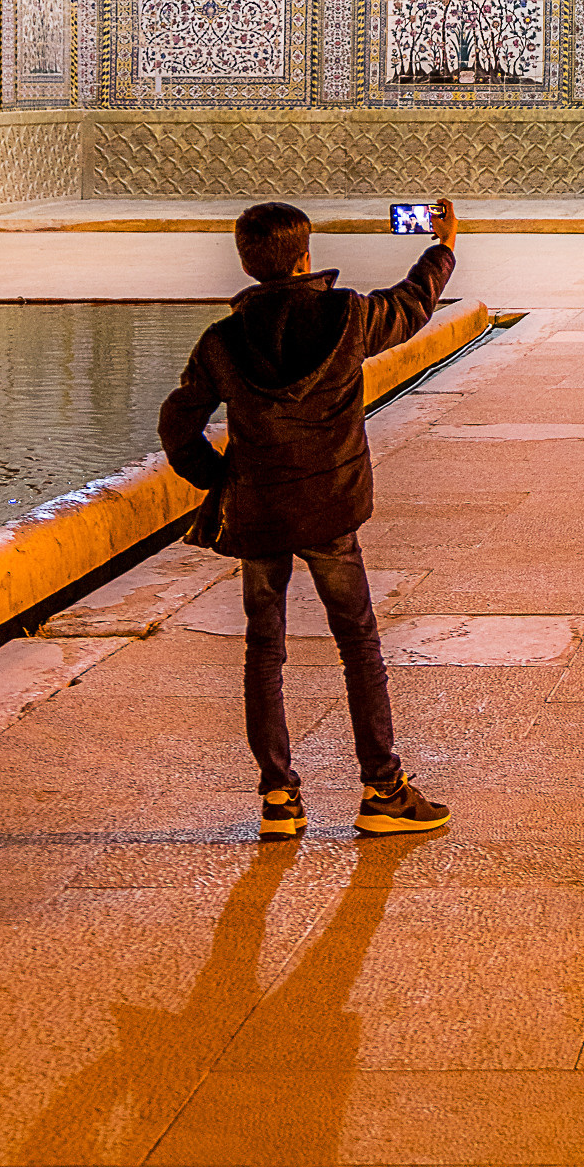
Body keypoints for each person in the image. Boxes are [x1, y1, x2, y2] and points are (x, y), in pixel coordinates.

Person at [158, 196, 458, 842]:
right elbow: (411, 304)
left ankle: (278, 799)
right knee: (358, 643)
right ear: (304, 257)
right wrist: (443, 247)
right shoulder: (346, 318)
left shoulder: (222, 342)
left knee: (264, 651)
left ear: (248, 261)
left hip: (260, 513)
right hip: (330, 510)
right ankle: (383, 790)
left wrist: (219, 476)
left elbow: (177, 420)